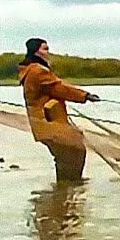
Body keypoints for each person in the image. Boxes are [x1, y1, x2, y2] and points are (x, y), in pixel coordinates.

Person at [17, 38, 99, 182]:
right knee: (72, 153)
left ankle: (63, 195)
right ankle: (68, 189)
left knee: (71, 153)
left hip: (46, 122)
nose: (48, 52)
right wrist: (85, 96)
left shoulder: (34, 69)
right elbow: (60, 89)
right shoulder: (37, 71)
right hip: (48, 122)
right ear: (36, 51)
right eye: (45, 49)